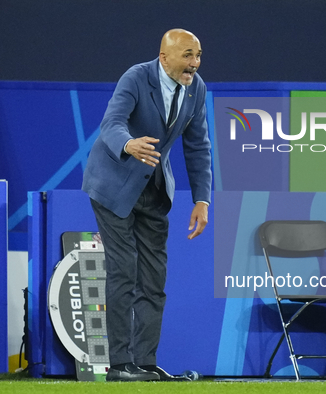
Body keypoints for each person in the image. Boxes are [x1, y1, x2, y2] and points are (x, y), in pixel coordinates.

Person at [81, 29, 212, 382]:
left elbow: (198, 147)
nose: (194, 63)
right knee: (123, 271)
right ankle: (120, 365)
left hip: (154, 191)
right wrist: (128, 145)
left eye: (198, 55)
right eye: (187, 55)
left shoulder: (196, 89)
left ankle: (146, 363)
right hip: (113, 185)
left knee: (154, 279)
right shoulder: (136, 77)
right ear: (164, 56)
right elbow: (111, 124)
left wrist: (202, 199)